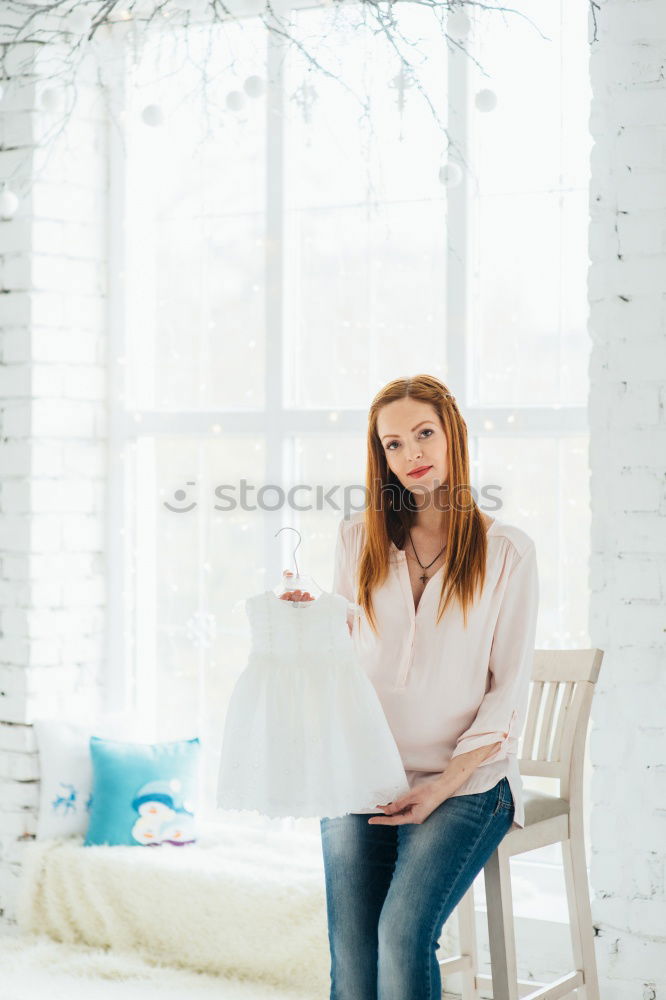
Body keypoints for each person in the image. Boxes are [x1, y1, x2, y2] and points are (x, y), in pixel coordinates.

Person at [282, 374, 539, 1000]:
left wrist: (442, 788)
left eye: (424, 433)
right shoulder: (357, 539)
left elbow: (508, 692)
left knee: (400, 932)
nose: (412, 454)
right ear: (381, 457)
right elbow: (341, 660)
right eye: (393, 444)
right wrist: (306, 624)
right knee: (353, 943)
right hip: (363, 770)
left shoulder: (508, 551)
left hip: (467, 782)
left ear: (453, 435)